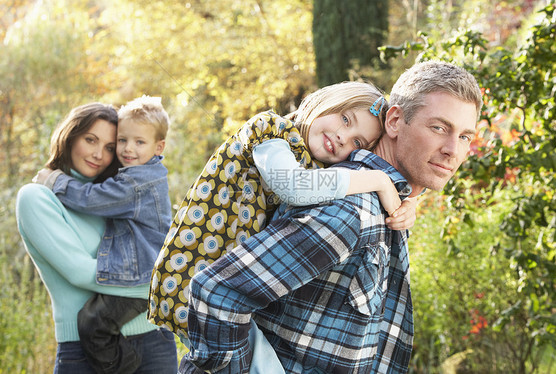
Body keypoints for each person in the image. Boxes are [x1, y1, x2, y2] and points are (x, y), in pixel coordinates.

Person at [177, 60, 483, 373]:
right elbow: (217, 291)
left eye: (464, 137)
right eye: (439, 128)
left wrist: (412, 198)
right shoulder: (351, 209)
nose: (453, 150)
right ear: (394, 121)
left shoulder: (388, 204)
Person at [148, 81, 417, 339]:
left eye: (357, 143)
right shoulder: (271, 135)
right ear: (325, 102)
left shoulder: (315, 165)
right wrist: (379, 181)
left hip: (233, 289)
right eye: (345, 119)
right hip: (196, 276)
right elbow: (293, 186)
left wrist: (410, 202)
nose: (343, 137)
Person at [16, 102, 178, 374]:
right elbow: (78, 272)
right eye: (90, 140)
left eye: (109, 147)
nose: (98, 154)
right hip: (84, 351)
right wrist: (153, 286)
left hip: (154, 340)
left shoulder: (115, 193)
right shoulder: (37, 197)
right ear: (69, 136)